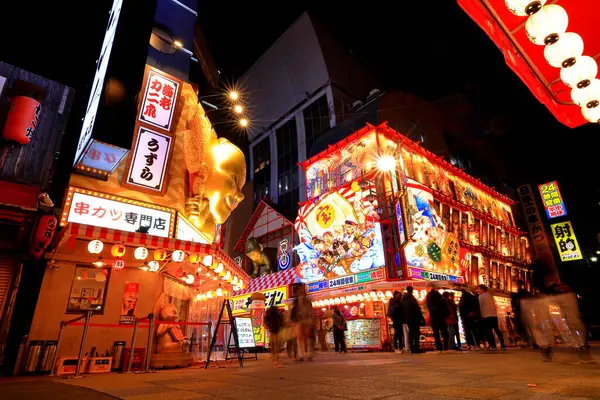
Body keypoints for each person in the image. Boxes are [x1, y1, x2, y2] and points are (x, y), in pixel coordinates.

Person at [523, 257, 592, 362]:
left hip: (551, 295)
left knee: (544, 323)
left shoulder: (543, 271)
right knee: (570, 322)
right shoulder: (545, 270)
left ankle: (548, 347)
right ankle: (579, 347)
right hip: (553, 295)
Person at [477, 284, 506, 350]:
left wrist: (480, 315)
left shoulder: (481, 296)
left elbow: (480, 306)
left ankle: (492, 344)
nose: (478, 291)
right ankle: (502, 343)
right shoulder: (490, 296)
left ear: (482, 289)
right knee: (496, 329)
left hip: (486, 315)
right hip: (494, 315)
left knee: (488, 331)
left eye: (479, 289)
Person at [291, 293, 315, 361]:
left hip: (306, 322)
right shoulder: (297, 304)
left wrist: (311, 323)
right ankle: (302, 355)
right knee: (301, 339)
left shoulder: (308, 304)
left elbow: (311, 314)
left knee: (307, 338)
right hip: (299, 322)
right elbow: (293, 314)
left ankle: (308, 355)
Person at [426, 286, 449, 351]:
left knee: (436, 333)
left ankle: (439, 347)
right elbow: (443, 305)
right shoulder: (438, 296)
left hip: (433, 317)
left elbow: (429, 306)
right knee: (444, 332)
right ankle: (445, 346)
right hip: (440, 316)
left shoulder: (429, 297)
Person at [401, 286, 424, 353]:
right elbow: (416, 309)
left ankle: (411, 348)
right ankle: (416, 347)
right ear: (411, 290)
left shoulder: (403, 299)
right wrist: (421, 317)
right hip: (414, 318)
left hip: (407, 319)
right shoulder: (411, 298)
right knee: (416, 333)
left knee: (411, 333)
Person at [510, 280, 531, 346]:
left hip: (521, 311)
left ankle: (526, 340)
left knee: (521, 326)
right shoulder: (524, 293)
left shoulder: (519, 293)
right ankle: (526, 340)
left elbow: (514, 303)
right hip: (522, 311)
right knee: (523, 326)